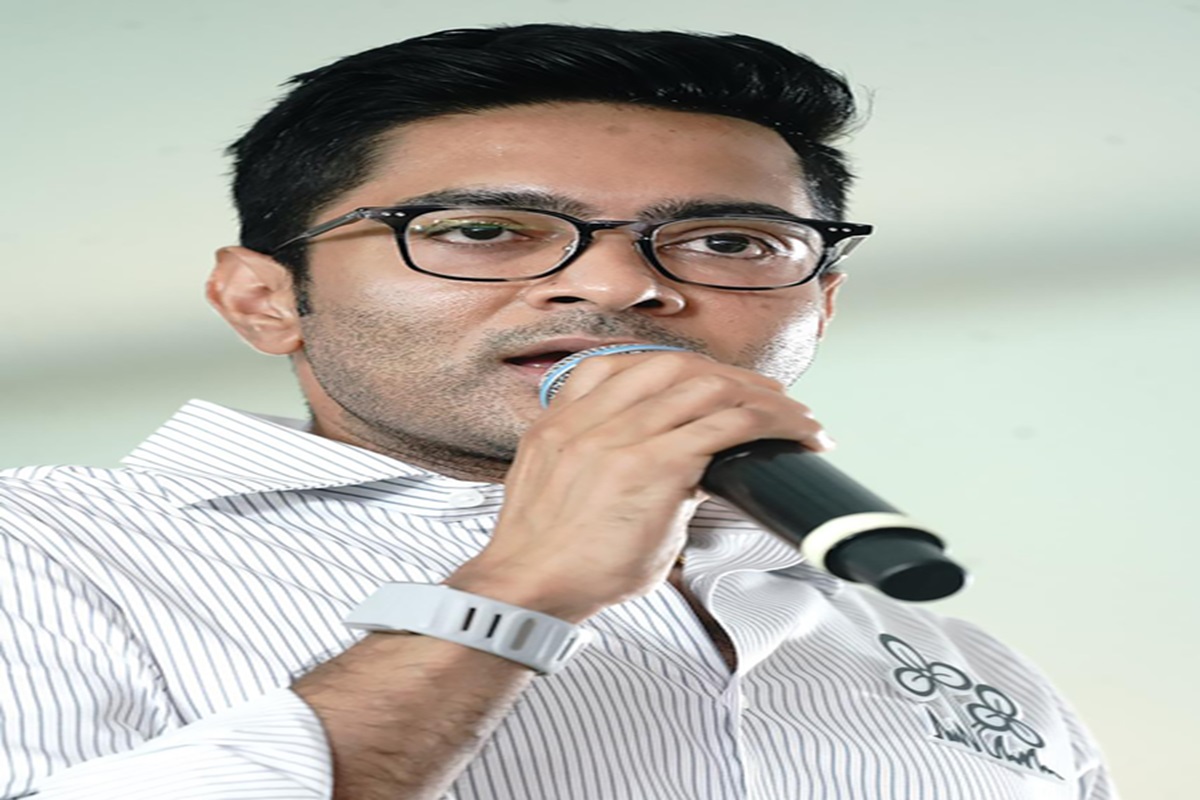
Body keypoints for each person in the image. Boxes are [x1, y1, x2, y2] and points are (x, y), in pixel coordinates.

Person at [0, 23, 1115, 800]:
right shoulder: (43, 544)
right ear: (265, 299)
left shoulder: (947, 651)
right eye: (485, 230)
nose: (623, 285)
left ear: (819, 303)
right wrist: (522, 585)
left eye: (729, 240)